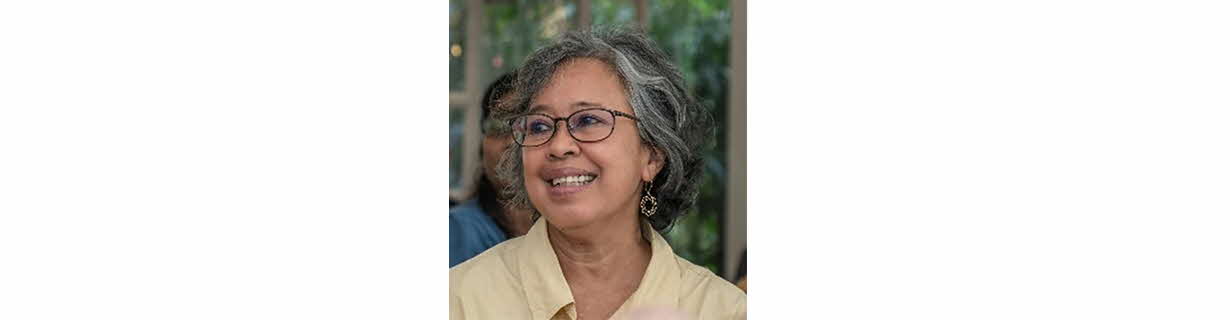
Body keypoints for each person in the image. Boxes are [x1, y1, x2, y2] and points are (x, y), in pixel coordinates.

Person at [450, 27, 745, 320]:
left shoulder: (723, 310)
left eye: (588, 120)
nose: (559, 146)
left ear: (652, 156)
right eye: (539, 126)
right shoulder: (458, 299)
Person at [448, 72, 534, 267]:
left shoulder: (574, 232)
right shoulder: (458, 231)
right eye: (498, 126)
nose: (512, 142)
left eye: (531, 128)